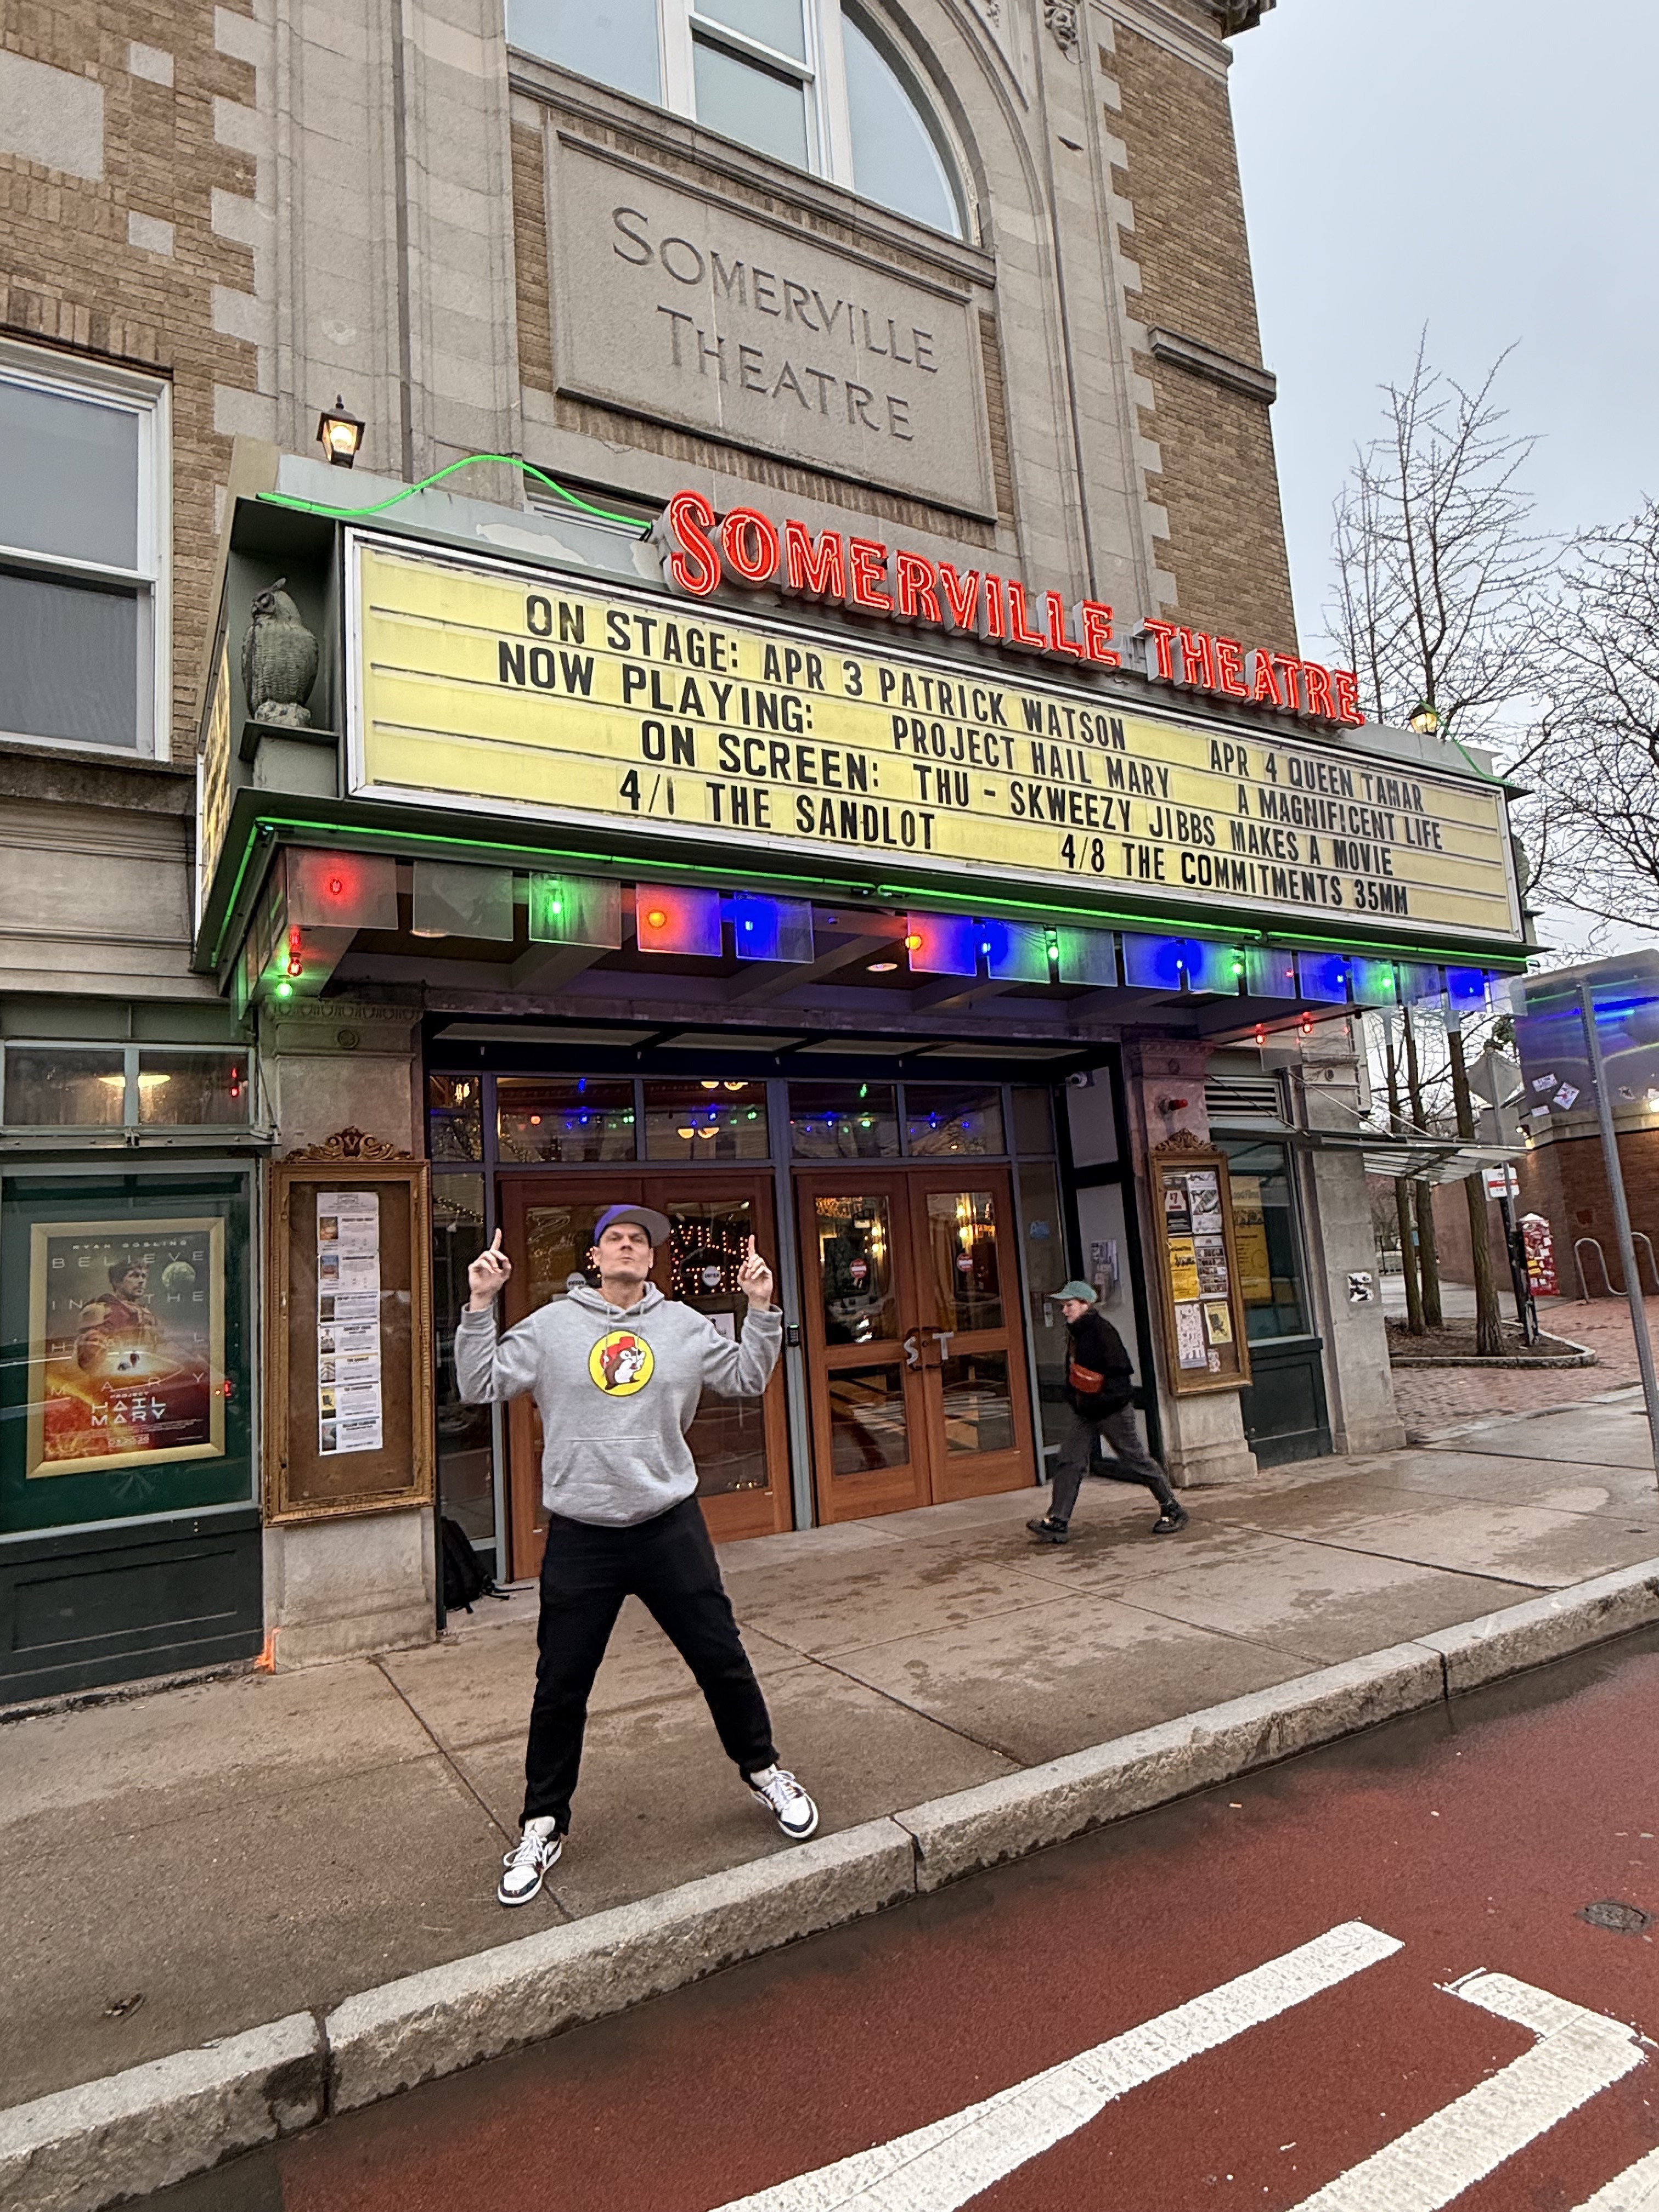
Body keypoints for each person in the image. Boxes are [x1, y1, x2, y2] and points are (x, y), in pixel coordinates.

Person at [456, 1203, 818, 1906]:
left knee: (721, 1656)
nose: (626, 1247)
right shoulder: (553, 1327)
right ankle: (543, 1822)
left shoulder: (681, 1326)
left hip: (667, 1526)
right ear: (596, 1258)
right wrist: (479, 1303)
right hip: (582, 1533)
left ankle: (764, 1769)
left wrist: (761, 1308)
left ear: (653, 1261)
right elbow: (480, 1384)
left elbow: (745, 1378)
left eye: (638, 1241)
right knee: (562, 1685)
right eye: (614, 1239)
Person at [1028, 1280, 1187, 1544]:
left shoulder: (1102, 1332)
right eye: (1063, 1306)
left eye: (1069, 1305)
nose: (1064, 1311)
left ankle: (1171, 1507)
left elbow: (1120, 1374)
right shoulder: (1076, 1333)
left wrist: (1101, 1400)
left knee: (1134, 1458)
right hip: (1087, 1410)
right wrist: (1075, 1398)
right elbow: (1073, 1371)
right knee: (1070, 1459)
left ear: (1085, 1305)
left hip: (1111, 1409)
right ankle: (1058, 1521)